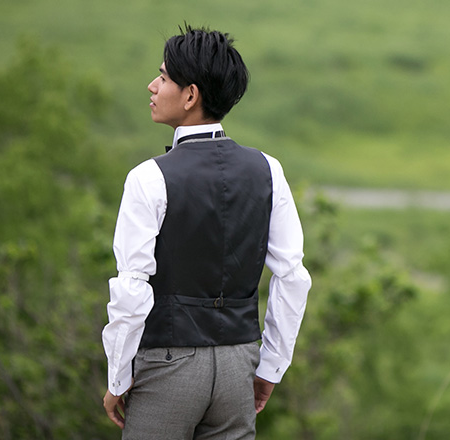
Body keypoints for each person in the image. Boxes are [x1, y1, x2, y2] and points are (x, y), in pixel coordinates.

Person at [101, 26, 311, 438]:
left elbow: (131, 287)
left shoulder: (148, 178)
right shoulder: (269, 169)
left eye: (163, 77)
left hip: (167, 367)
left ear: (190, 95)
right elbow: (293, 276)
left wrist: (116, 377)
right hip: (239, 364)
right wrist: (270, 366)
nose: (153, 85)